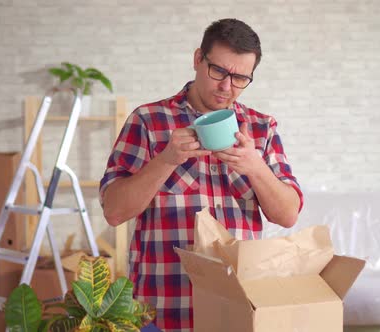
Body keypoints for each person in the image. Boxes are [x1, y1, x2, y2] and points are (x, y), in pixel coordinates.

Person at [99, 18, 303, 331]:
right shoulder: (148, 121)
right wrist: (166, 159)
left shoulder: (261, 129)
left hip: (237, 312)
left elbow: (288, 214)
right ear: (198, 59)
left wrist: (254, 166)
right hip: (162, 311)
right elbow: (113, 211)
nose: (226, 87)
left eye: (240, 78)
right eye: (218, 71)